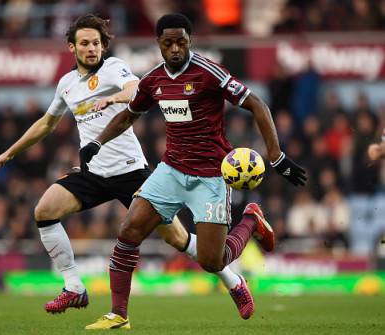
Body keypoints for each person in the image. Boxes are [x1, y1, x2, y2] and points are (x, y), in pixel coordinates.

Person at [0, 14, 255, 319]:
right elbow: (47, 123)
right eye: (85, 43)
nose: (92, 49)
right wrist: (10, 152)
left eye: (97, 43)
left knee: (178, 240)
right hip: (94, 172)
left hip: (131, 173)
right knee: (44, 211)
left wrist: (112, 98)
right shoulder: (66, 83)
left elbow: (136, 89)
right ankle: (74, 287)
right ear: (71, 47)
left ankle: (233, 280)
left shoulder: (114, 68)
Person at [82, 13, 307, 329]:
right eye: (168, 43)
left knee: (212, 261)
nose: (175, 49)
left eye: (181, 42)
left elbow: (256, 103)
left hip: (212, 175)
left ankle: (251, 220)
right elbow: (129, 114)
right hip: (171, 170)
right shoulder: (153, 80)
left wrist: (276, 156)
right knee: (129, 230)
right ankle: (119, 314)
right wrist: (97, 142)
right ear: (158, 43)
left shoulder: (208, 72)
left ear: (189, 41)